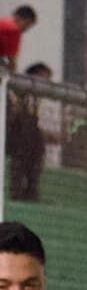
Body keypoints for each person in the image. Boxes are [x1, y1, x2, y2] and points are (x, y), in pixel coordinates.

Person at [6, 63, 51, 203]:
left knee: (36, 138)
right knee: (28, 134)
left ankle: (31, 190)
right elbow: (10, 120)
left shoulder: (37, 102)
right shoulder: (15, 92)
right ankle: (19, 191)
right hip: (12, 138)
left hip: (29, 143)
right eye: (41, 78)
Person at [0, 6, 34, 72]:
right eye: (27, 24)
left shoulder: (2, 22)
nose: (26, 29)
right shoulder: (14, 29)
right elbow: (11, 58)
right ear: (18, 18)